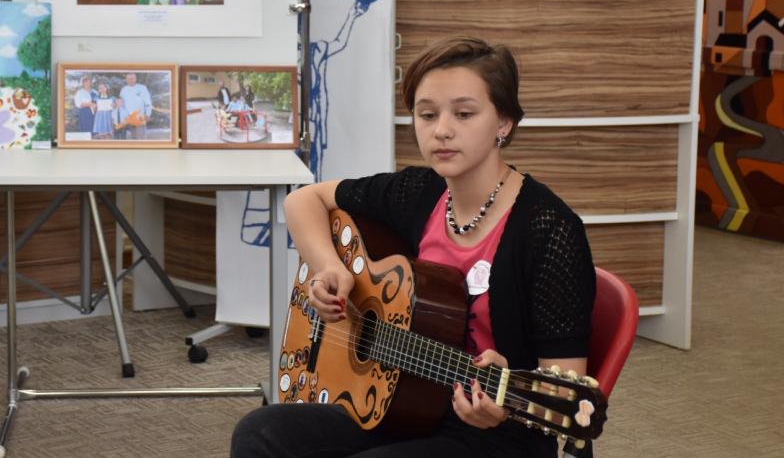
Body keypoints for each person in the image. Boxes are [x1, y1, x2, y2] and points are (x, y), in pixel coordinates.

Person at [230, 36, 596, 458]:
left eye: (464, 113)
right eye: (426, 114)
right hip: (402, 400)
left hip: (503, 433)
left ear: (504, 123)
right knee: (259, 433)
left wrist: (504, 403)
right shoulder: (419, 192)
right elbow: (303, 200)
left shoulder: (548, 230)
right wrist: (329, 267)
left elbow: (567, 390)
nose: (441, 130)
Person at [114, 72, 153, 140]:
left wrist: (148, 114)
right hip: (128, 118)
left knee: (141, 139)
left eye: (132, 78)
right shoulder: (124, 89)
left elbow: (148, 102)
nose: (131, 80)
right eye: (129, 79)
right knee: (133, 140)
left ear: (135, 79)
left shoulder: (142, 88)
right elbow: (120, 104)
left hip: (140, 118)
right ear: (126, 79)